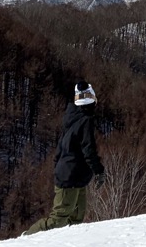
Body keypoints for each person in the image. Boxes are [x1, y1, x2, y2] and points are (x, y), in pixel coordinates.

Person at [24, 83, 106, 235]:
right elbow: (89, 150)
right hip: (70, 177)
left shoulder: (73, 118)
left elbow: (62, 147)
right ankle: (28, 237)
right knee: (59, 219)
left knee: (76, 219)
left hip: (75, 177)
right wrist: (99, 171)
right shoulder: (85, 121)